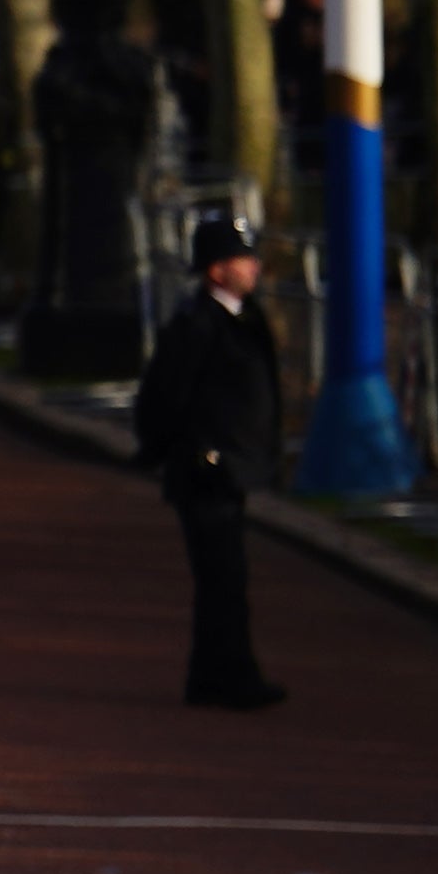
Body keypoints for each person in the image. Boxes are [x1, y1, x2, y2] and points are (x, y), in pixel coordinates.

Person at [130, 210, 289, 710]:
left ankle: (212, 675)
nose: (253, 267)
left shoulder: (244, 318)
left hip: (234, 468)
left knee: (226, 579)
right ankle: (231, 676)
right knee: (224, 580)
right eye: (242, 259)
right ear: (216, 270)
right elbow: (166, 395)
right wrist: (190, 452)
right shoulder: (196, 325)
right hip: (208, 471)